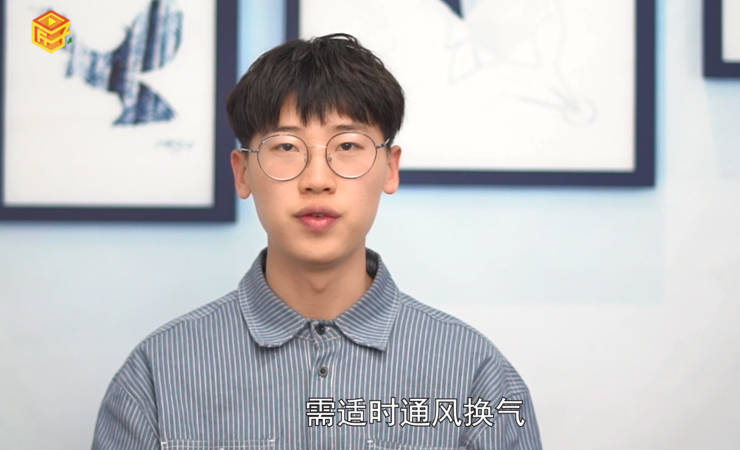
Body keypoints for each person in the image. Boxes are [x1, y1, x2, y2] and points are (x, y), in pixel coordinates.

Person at [91, 33, 543, 450]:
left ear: (390, 168)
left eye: (347, 146)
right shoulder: (156, 375)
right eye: (287, 147)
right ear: (242, 173)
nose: (317, 180)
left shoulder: (474, 374)